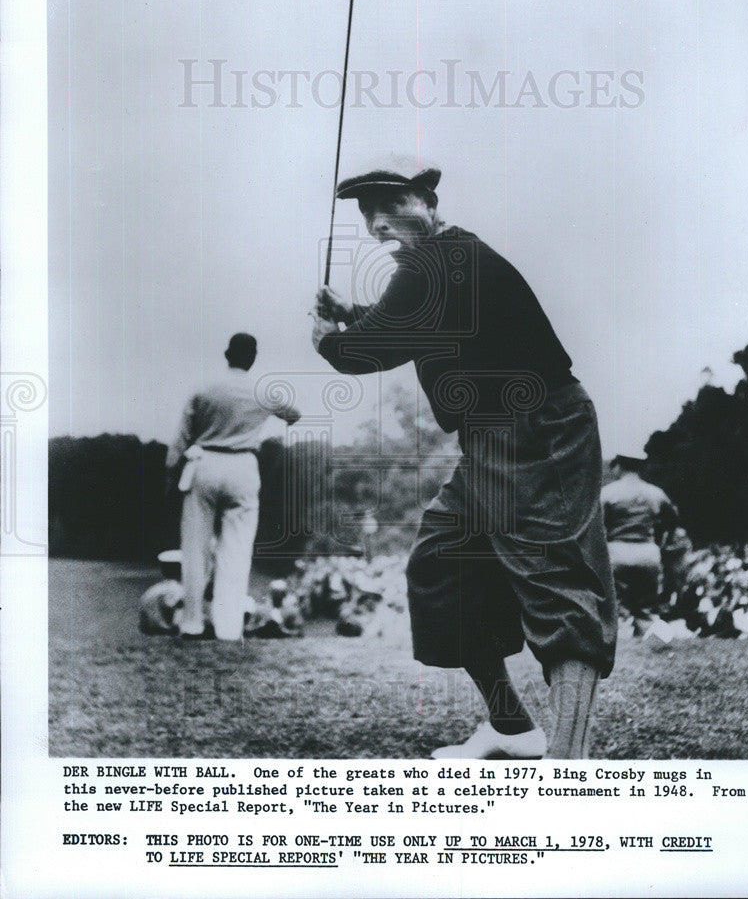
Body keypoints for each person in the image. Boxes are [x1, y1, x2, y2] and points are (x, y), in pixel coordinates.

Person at [312, 167, 617, 759]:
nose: (377, 222)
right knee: (440, 567)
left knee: (557, 588)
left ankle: (570, 768)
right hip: (492, 439)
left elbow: (370, 350)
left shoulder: (439, 263)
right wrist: (352, 312)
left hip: (542, 432)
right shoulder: (437, 263)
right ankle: (512, 729)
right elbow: (400, 323)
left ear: (428, 201)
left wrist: (329, 339)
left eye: (392, 203)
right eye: (366, 212)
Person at [166, 333, 300, 640]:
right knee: (236, 552)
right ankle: (228, 628)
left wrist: (171, 472)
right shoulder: (262, 391)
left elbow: (180, 440)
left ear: (227, 354)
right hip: (243, 464)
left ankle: (192, 623)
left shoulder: (204, 387)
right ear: (253, 358)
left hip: (205, 462)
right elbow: (294, 414)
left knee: (195, 550)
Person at [600, 455, 679, 625]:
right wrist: (665, 541)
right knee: (647, 610)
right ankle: (650, 645)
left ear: (618, 466)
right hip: (647, 552)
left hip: (616, 551)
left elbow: (597, 525)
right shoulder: (655, 492)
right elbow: (672, 518)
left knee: (617, 608)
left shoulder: (608, 492)